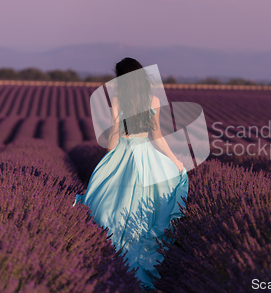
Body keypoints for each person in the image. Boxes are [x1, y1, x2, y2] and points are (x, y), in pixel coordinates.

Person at [73, 58, 188, 292]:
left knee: (111, 208)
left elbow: (111, 146)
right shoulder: (152, 100)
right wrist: (175, 161)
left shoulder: (117, 99)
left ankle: (112, 261)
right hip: (146, 156)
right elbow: (157, 135)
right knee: (146, 212)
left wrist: (116, 122)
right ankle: (140, 264)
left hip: (122, 156)